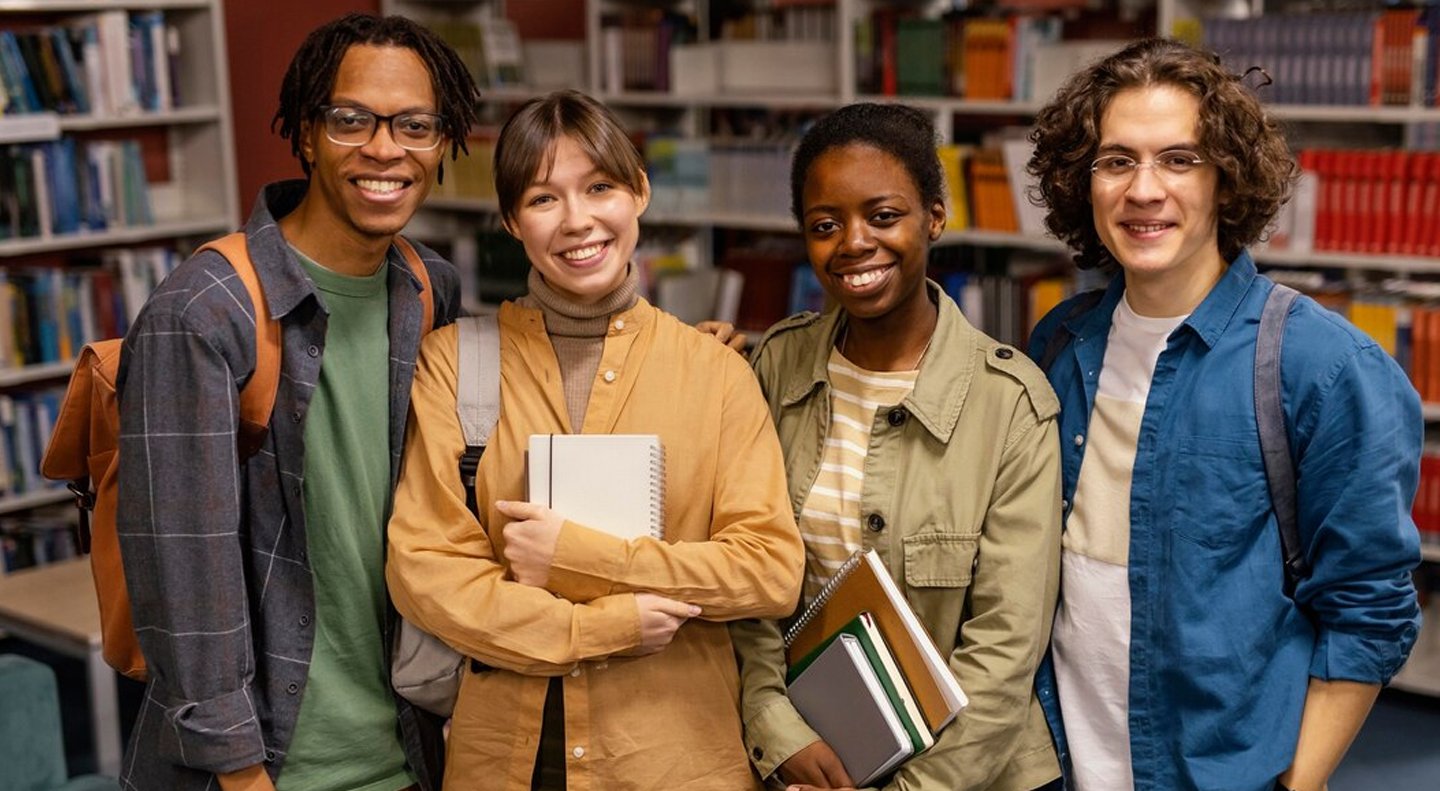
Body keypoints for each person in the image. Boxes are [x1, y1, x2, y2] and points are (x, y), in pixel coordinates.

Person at [1025, 37, 1423, 791]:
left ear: (1226, 179)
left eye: (1180, 159)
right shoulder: (1058, 342)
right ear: (1086, 182)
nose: (1144, 189)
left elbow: (1370, 611)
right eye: (1117, 160)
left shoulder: (1323, 366)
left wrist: (1295, 784)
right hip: (1061, 763)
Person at [384, 89, 805, 790]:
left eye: (600, 187)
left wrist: (581, 556)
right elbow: (426, 571)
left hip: (675, 760)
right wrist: (607, 625)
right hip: (504, 761)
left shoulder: (717, 373)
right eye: (544, 199)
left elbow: (768, 569)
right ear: (511, 222)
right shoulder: (455, 364)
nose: (577, 221)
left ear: (639, 192)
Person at [114, 13, 479, 791]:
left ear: (442, 141)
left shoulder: (428, 287)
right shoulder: (205, 311)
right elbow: (183, 575)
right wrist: (241, 774)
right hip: (273, 766)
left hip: (414, 750)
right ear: (306, 134)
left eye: (415, 124)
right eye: (353, 120)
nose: (386, 149)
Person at [730, 102, 1064, 791]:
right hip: (810, 765)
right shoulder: (776, 366)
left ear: (934, 217)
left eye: (883, 216)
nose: (854, 242)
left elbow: (1006, 648)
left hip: (972, 773)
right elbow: (750, 584)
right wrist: (776, 728)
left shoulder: (1010, 401)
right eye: (826, 225)